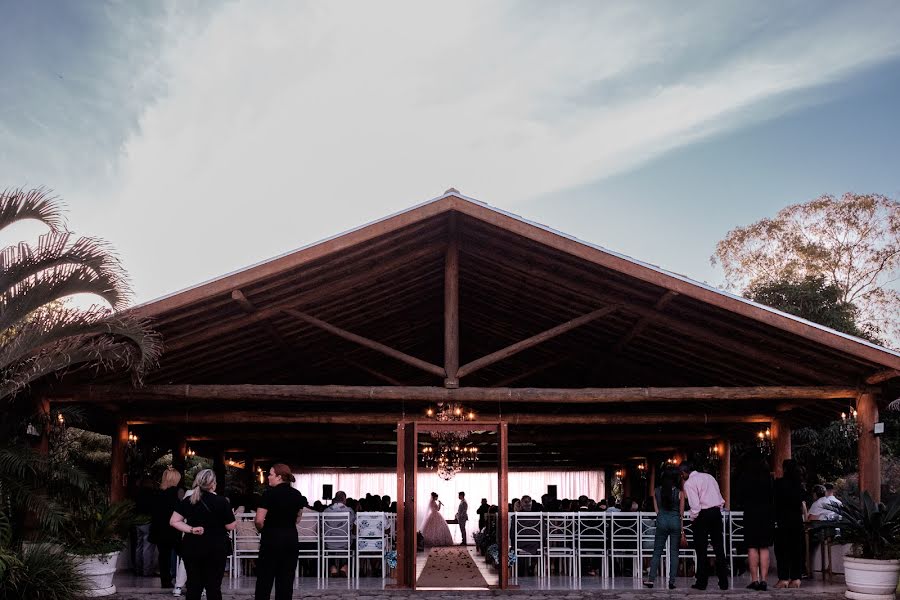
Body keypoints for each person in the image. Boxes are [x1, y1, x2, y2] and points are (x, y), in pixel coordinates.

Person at [169, 469, 236, 600]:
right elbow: (230, 526)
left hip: (192, 547)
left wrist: (191, 529)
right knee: (214, 588)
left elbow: (174, 521)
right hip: (216, 548)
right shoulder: (222, 501)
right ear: (213, 484)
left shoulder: (189, 500)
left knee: (193, 587)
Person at [254, 463, 304, 600]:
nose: (268, 477)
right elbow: (298, 518)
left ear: (279, 477)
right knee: (286, 582)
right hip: (290, 539)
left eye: (270, 474)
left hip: (271, 539)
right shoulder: (297, 494)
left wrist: (264, 530)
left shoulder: (268, 494)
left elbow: (259, 520)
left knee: (264, 580)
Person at [680, 461, 728, 591]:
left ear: (684, 472)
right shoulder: (709, 477)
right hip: (716, 513)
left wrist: (693, 519)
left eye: (681, 474)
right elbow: (719, 496)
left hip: (702, 515)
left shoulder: (689, 483)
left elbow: (695, 506)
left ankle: (702, 582)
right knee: (719, 548)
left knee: (701, 550)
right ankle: (724, 582)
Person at [737, 455, 775, 591]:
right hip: (766, 515)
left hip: (750, 514)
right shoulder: (769, 479)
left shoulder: (744, 478)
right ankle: (764, 580)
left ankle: (754, 580)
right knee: (764, 547)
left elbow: (739, 498)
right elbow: (772, 498)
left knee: (752, 547)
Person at [644, 469, 684, 590]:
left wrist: (662, 516)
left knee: (657, 551)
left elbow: (656, 510)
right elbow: (681, 513)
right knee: (674, 552)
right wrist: (682, 529)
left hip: (661, 521)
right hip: (675, 521)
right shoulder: (680, 493)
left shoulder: (656, 491)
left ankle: (651, 580)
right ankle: (672, 581)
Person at [774, 459, 807, 589]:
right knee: (797, 550)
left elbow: (775, 502)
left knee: (782, 550)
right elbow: (802, 504)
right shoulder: (799, 485)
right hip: (796, 520)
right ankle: (796, 578)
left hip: (782, 520)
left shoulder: (778, 484)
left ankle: (783, 578)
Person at [151, 467, 184, 589]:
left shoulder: (158, 494)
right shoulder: (179, 493)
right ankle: (184, 580)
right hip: (175, 528)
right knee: (183, 554)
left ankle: (165, 581)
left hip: (160, 529)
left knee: (163, 556)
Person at [324, 490, 356, 577]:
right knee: (354, 543)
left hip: (329, 543)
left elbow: (322, 528)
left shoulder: (326, 511)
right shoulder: (349, 511)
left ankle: (332, 567)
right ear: (344, 499)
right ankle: (344, 566)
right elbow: (353, 526)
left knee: (330, 542)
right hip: (345, 543)